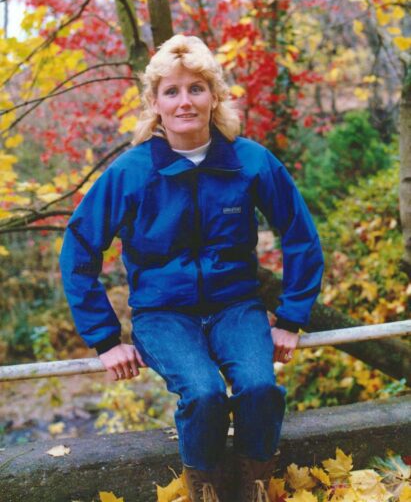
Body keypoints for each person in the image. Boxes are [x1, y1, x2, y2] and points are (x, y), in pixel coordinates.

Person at [60, 34, 324, 502]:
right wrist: (104, 339)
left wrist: (291, 318)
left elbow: (300, 234)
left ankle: (254, 487)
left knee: (260, 387)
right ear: (155, 103)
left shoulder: (250, 161)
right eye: (172, 91)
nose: (185, 102)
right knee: (203, 394)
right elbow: (80, 249)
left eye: (196, 88)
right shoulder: (131, 172)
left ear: (214, 96)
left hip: (236, 307)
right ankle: (206, 493)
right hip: (163, 314)